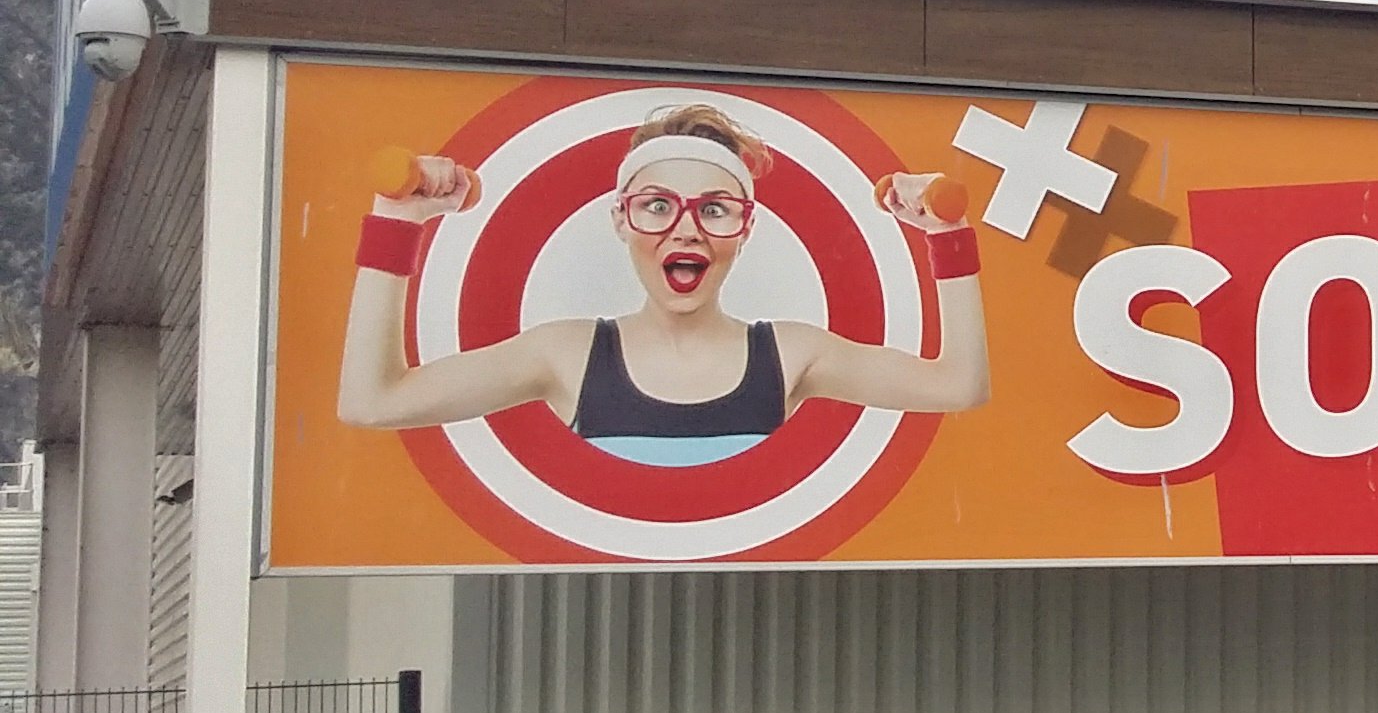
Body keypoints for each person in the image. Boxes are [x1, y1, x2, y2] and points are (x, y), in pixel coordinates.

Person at [336, 104, 987, 459]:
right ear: (621, 219)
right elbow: (372, 402)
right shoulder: (563, 354)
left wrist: (945, 235)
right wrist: (398, 218)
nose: (687, 231)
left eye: (714, 210)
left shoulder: (792, 355)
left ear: (746, 227)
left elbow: (959, 386)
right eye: (657, 206)